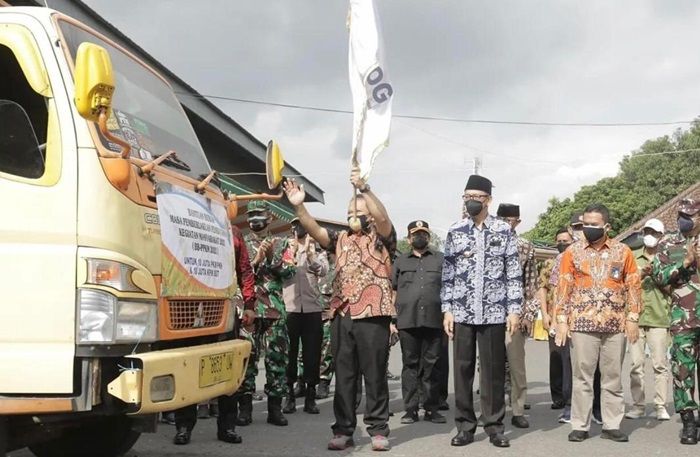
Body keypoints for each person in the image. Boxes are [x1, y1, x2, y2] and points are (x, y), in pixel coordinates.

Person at [283, 170, 396, 452]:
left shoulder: (383, 238)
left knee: (375, 375)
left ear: (368, 214)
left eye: (358, 211)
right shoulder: (339, 239)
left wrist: (365, 190)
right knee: (344, 375)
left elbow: (383, 219)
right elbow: (312, 227)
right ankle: (344, 429)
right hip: (342, 314)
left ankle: (378, 429)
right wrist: (299, 204)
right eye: (349, 211)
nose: (353, 215)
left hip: (373, 315)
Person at [442, 175, 523, 448]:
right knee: (462, 371)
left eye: (476, 197)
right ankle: (465, 426)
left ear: (488, 199)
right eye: (466, 197)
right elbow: (448, 274)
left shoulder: (503, 231)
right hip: (462, 312)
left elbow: (513, 273)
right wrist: (447, 309)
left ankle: (494, 426)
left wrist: (514, 310)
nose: (470, 202)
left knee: (492, 371)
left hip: (494, 313)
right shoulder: (455, 231)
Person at [554, 203, 642, 443]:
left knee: (612, 377)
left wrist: (633, 318)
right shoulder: (572, 252)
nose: (588, 229)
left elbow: (633, 285)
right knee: (582, 377)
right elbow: (563, 286)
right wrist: (561, 320)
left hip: (615, 326)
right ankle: (580, 425)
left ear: (607, 226)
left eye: (594, 224)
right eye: (585, 224)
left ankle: (611, 424)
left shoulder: (623, 252)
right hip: (582, 325)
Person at [173, 225, 257, 445]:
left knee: (227, 367)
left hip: (224, 308)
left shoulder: (234, 233)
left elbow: (245, 269)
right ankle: (183, 426)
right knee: (188, 365)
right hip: (189, 306)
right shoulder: (183, 220)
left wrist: (249, 303)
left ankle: (227, 426)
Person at [235, 200, 296, 427]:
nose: (254, 219)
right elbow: (237, 273)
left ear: (269, 217)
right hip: (249, 310)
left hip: (274, 311)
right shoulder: (241, 241)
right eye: (251, 215)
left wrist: (270, 259)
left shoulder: (281, 243)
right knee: (247, 359)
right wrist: (256, 260)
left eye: (259, 214)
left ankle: (275, 409)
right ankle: (245, 408)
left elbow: (289, 272)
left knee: (276, 360)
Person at [652, 198, 700, 444]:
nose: (686, 219)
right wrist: (686, 262)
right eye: (683, 214)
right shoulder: (668, 243)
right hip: (684, 320)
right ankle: (689, 422)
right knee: (682, 372)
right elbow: (659, 277)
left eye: (691, 215)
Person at [392, 220, 446, 425]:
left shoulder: (440, 259)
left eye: (423, 234)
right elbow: (393, 290)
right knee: (410, 365)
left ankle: (431, 408)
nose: (420, 237)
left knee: (432, 366)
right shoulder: (400, 261)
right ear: (409, 238)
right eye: (416, 234)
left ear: (429, 237)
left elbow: (449, 288)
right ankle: (411, 409)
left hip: (434, 319)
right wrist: (391, 318)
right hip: (407, 320)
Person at [497, 204, 539, 429]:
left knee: (516, 366)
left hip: (516, 315)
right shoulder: (488, 242)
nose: (505, 223)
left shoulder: (525, 247)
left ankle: (518, 409)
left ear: (518, 222)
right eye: (502, 218)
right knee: (489, 366)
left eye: (510, 220)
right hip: (490, 316)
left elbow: (532, 285)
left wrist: (529, 315)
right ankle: (492, 410)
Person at [282, 218, 329, 415]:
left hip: (312, 310)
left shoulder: (318, 251)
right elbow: (281, 272)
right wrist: (292, 253)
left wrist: (310, 255)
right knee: (289, 355)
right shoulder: (284, 248)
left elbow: (323, 271)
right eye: (295, 225)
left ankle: (310, 397)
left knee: (312, 355)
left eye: (302, 225)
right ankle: (289, 396)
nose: (298, 228)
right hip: (290, 308)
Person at [626, 218, 671, 421]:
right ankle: (638, 405)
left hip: (660, 317)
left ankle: (661, 405)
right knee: (636, 364)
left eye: (654, 232)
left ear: (662, 236)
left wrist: (658, 276)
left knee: (660, 364)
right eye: (646, 231)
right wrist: (641, 274)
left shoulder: (667, 258)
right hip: (635, 317)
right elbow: (623, 284)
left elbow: (673, 288)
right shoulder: (632, 257)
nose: (649, 235)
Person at [538, 227, 574, 423]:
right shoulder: (549, 263)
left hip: (572, 317)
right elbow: (542, 289)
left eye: (566, 241)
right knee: (556, 357)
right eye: (559, 241)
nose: (562, 244)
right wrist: (544, 314)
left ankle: (573, 398)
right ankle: (558, 397)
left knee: (570, 359)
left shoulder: (576, 258)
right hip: (553, 315)